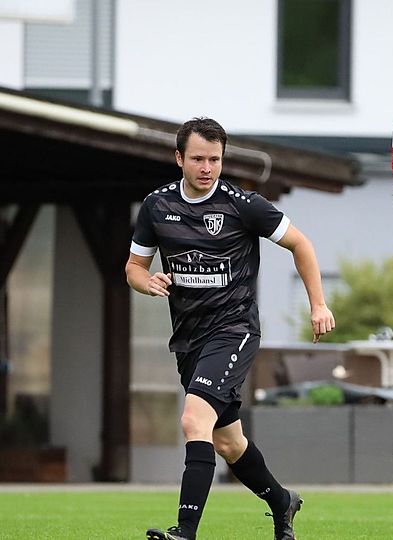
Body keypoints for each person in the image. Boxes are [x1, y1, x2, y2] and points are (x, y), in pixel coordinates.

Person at [126, 117, 335, 540]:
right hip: (189, 339)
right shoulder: (157, 206)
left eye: (215, 159)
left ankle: (185, 531)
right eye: (199, 159)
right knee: (228, 443)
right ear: (179, 158)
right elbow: (133, 267)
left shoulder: (243, 205)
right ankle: (282, 501)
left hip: (234, 329)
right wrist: (146, 282)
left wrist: (318, 304)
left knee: (192, 419)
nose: (207, 167)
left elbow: (301, 243)